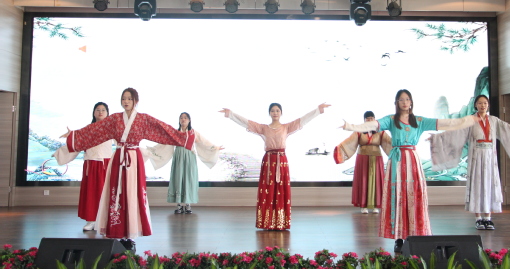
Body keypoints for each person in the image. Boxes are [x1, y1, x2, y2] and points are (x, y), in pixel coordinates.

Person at [61, 88, 194, 249]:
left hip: (133, 159)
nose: (126, 101)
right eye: (124, 98)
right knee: (116, 194)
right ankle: (116, 231)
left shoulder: (143, 119)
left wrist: (183, 137)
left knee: (132, 194)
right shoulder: (115, 119)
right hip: (118, 159)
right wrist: (75, 135)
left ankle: (131, 233)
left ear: (135, 101)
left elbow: (161, 129)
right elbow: (95, 130)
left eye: (129, 99)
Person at [341, 89, 476, 240]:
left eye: (407, 99)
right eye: (401, 100)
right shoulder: (391, 120)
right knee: (396, 195)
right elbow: (372, 125)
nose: (405, 102)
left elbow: (445, 123)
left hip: (412, 160)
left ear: (411, 102)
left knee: (414, 195)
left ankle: (415, 233)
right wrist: (350, 126)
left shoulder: (419, 121)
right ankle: (398, 236)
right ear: (396, 103)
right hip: (397, 161)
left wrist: (468, 120)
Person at [429, 94, 510, 230]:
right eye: (480, 103)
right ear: (476, 105)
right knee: (477, 186)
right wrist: (437, 138)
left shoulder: (494, 120)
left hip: (490, 158)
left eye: (485, 103)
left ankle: (488, 218)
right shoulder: (470, 120)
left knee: (489, 185)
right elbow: (456, 133)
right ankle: (478, 218)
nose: (483, 105)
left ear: (488, 105)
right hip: (476, 157)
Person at [219, 102, 330, 230]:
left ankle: (281, 222)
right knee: (268, 189)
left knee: (281, 190)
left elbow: (303, 120)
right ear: (269, 113)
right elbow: (246, 123)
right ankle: (267, 222)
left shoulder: (286, 127)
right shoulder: (264, 128)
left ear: (281, 113)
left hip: (281, 161)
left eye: (277, 110)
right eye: (273, 111)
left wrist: (318, 110)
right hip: (268, 161)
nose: (275, 113)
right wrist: (230, 114)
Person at [53, 102, 114, 231]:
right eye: (98, 110)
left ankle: (106, 221)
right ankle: (91, 220)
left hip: (106, 164)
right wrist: (61, 151)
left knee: (105, 193)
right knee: (91, 192)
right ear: (94, 113)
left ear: (107, 113)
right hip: (90, 164)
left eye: (103, 110)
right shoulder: (88, 129)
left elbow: (123, 142)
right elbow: (77, 143)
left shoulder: (112, 129)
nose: (100, 112)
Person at [146, 112, 223, 214]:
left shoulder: (193, 133)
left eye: (185, 118)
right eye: (181, 118)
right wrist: (152, 150)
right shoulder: (175, 132)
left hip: (189, 157)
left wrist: (215, 147)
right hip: (178, 156)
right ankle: (178, 204)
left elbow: (204, 142)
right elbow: (165, 143)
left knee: (188, 178)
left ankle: (188, 204)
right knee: (178, 178)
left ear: (189, 120)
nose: (183, 119)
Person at [333, 111, 391, 214]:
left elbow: (388, 142)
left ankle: (375, 205)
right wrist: (339, 148)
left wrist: (399, 146)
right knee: (363, 181)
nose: (370, 120)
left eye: (371, 118)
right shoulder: (359, 131)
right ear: (364, 120)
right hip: (362, 158)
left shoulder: (380, 131)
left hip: (377, 158)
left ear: (375, 120)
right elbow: (350, 142)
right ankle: (363, 205)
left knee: (377, 181)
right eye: (367, 119)